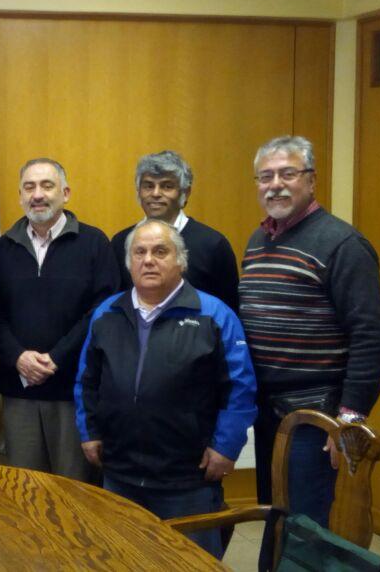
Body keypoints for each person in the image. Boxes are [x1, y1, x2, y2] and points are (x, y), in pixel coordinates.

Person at [75, 219, 256, 559]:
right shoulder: (106, 313)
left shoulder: (214, 314)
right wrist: (89, 432)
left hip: (187, 478)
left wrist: (226, 447)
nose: (148, 260)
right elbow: (87, 380)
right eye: (139, 252)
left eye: (160, 251)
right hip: (120, 473)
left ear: (180, 261)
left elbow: (240, 389)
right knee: (123, 560)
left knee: (188, 562)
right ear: (129, 262)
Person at [239, 135, 380, 528]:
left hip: (315, 415)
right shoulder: (258, 241)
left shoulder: (343, 244)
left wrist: (350, 416)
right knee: (274, 516)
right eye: (265, 176)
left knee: (303, 528)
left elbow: (372, 335)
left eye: (288, 173)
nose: (275, 184)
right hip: (267, 412)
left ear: (311, 180)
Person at [0, 158, 118, 481]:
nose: (38, 194)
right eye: (29, 187)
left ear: (66, 193)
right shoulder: (1, 249)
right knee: (25, 489)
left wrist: (57, 357)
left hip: (74, 388)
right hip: (19, 390)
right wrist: (18, 357)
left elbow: (102, 310)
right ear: (19, 196)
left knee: (75, 489)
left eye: (47, 185)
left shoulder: (94, 243)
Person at [111, 151, 239, 313]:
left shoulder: (212, 244)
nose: (156, 193)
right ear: (138, 192)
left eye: (167, 186)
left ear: (185, 193)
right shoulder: (121, 242)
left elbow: (229, 310)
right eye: (148, 186)